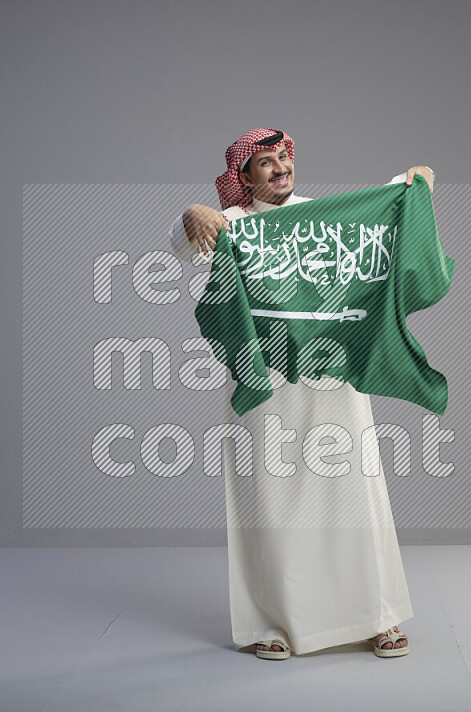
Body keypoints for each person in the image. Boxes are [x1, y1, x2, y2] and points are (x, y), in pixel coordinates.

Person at [168, 128, 435, 660]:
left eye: (284, 157)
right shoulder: (232, 228)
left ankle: (378, 615)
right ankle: (271, 623)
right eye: (265, 162)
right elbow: (180, 246)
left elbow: (392, 203)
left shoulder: (325, 219)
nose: (280, 168)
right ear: (244, 177)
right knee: (268, 504)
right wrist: (189, 214)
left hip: (334, 379)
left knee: (355, 496)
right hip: (264, 386)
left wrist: (418, 182)